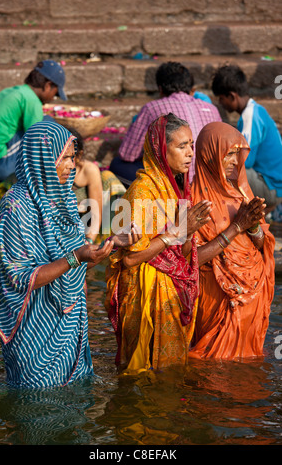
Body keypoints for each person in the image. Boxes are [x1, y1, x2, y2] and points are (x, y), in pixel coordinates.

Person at [0, 121, 140, 388]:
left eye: (72, 158)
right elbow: (20, 278)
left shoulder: (65, 198)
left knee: (74, 409)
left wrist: (111, 244)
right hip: (33, 328)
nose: (71, 165)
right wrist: (76, 257)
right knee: (37, 410)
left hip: (69, 322)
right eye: (65, 158)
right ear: (43, 158)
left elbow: (76, 263)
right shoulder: (16, 206)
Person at [105, 113, 212, 374]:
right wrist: (176, 231)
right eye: (181, 146)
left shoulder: (177, 188)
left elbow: (181, 254)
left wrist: (187, 233)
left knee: (167, 375)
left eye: (191, 145)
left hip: (169, 291)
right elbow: (130, 258)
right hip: (144, 296)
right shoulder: (142, 191)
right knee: (141, 373)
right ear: (162, 150)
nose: (189, 153)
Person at [189, 122, 275, 360]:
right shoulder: (192, 201)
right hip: (217, 297)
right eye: (229, 154)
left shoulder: (241, 192)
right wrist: (237, 227)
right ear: (209, 155)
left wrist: (254, 225)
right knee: (212, 364)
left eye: (238, 154)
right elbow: (190, 261)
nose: (236, 162)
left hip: (251, 296)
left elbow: (262, 245)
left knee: (246, 365)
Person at [109, 61, 222, 187]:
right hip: (210, 182)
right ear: (191, 89)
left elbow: (127, 154)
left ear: (161, 89)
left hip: (175, 183)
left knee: (117, 164)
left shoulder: (152, 108)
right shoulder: (212, 109)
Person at [212, 64, 282, 215]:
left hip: (272, 186)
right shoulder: (256, 110)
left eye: (221, 98)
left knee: (222, 171)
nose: (220, 103)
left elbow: (245, 160)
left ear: (232, 96)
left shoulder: (250, 116)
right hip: (274, 182)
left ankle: (225, 218)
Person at [0, 59, 67, 184]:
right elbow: (37, 141)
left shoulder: (15, 91)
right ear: (48, 85)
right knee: (49, 123)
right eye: (54, 94)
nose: (52, 99)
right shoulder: (32, 100)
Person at [68, 127, 126, 243]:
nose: (62, 163)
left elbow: (95, 214)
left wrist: (89, 241)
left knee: (108, 177)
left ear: (79, 156)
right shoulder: (49, 173)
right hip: (68, 226)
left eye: (68, 157)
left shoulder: (88, 170)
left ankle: (107, 239)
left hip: (90, 221)